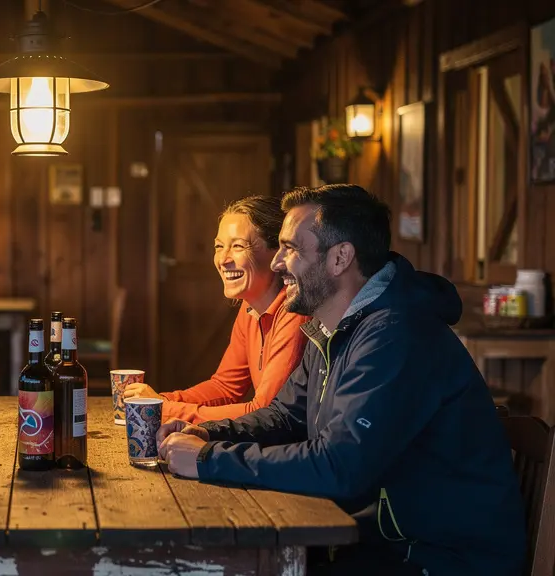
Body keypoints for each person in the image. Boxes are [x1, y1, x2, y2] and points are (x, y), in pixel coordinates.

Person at [158, 184, 526, 576]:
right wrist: (207, 433)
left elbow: (340, 467)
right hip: (378, 542)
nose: (278, 262)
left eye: (291, 248)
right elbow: (285, 416)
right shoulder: (332, 327)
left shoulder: (395, 334)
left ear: (340, 258)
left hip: (441, 557)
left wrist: (210, 460)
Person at [122, 195, 309, 423]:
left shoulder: (295, 312)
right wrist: (161, 401)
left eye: (238, 246)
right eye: (219, 246)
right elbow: (225, 387)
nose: (223, 259)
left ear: (277, 252)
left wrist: (164, 410)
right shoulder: (249, 308)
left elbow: (263, 410)